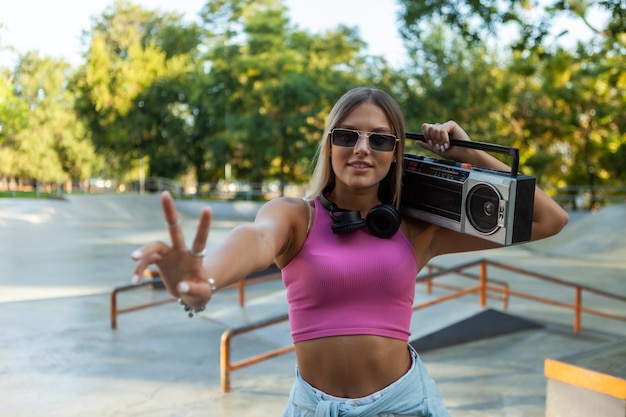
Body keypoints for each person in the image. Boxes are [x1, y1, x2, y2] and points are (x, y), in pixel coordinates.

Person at [130, 87, 569, 416]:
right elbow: (256, 238)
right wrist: (205, 278)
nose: (362, 148)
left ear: (396, 153)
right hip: (314, 407)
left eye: (379, 139)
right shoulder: (294, 218)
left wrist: (467, 152)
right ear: (329, 144)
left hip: (404, 406)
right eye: (348, 135)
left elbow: (549, 220)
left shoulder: (418, 231)